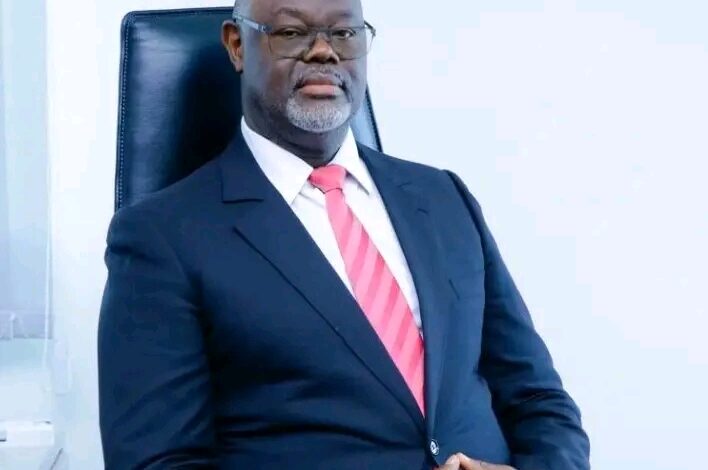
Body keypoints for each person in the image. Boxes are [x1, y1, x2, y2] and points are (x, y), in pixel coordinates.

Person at [98, 0, 590, 468]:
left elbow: (538, 398)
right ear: (237, 45)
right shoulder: (162, 238)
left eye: (344, 32)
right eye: (292, 32)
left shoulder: (442, 197)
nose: (324, 51)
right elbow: (158, 461)